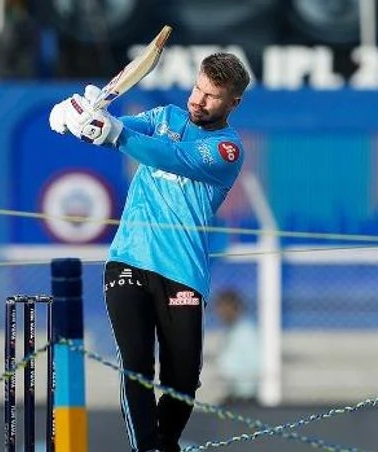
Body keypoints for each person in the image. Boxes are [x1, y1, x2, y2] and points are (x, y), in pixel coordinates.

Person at [48, 52, 250, 452]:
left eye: (212, 96)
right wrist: (77, 115)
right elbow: (120, 132)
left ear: (233, 103)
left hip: (183, 272)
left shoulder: (228, 149)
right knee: (138, 365)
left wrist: (113, 132)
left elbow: (168, 156)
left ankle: (164, 443)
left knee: (184, 377)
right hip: (128, 260)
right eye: (197, 88)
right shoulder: (165, 117)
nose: (198, 100)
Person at [212, 289, 261, 406]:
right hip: (233, 394)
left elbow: (254, 364)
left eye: (224, 307)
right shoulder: (229, 331)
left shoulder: (246, 332)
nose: (220, 312)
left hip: (245, 397)